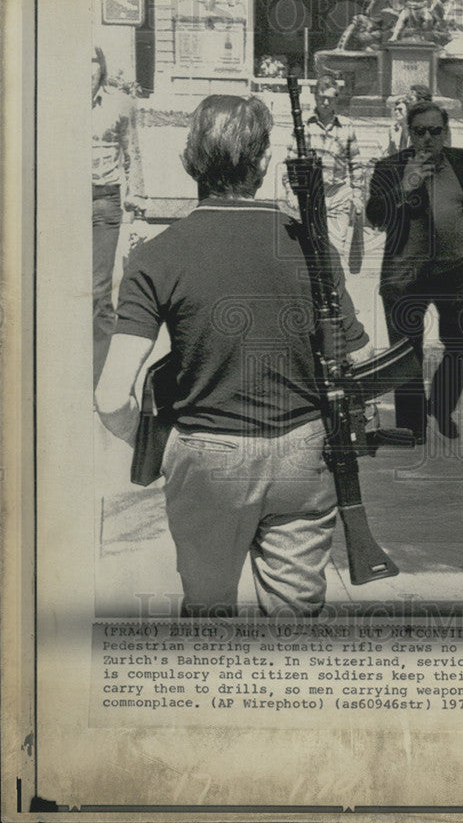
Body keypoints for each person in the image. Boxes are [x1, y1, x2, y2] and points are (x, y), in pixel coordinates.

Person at [95, 95, 370, 617]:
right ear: (264, 164)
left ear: (188, 161)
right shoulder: (310, 245)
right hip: (303, 454)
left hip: (206, 458)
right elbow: (358, 352)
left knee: (209, 613)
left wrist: (159, 446)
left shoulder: (157, 254)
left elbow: (111, 397)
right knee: (294, 624)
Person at [366, 101, 463, 441]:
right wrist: (405, 186)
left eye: (435, 131)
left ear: (446, 131)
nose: (427, 138)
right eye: (420, 131)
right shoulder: (389, 167)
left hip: (454, 271)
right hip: (404, 275)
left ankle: (440, 404)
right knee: (406, 354)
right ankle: (413, 428)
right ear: (408, 132)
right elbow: (374, 217)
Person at [92, 47, 147, 389]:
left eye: (93, 60)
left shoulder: (120, 104)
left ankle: (100, 380)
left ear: (102, 65)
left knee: (97, 291)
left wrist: (138, 208)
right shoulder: (55, 99)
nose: (87, 68)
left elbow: (134, 154)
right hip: (60, 202)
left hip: (104, 201)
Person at [282, 75, 365, 273]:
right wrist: (290, 191)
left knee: (334, 251)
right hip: (311, 197)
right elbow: (291, 163)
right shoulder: (304, 126)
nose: (325, 102)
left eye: (330, 98)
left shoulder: (347, 127)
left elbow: (355, 163)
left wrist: (358, 193)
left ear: (336, 99)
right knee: (312, 252)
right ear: (315, 97)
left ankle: (336, 297)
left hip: (338, 196)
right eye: (321, 97)